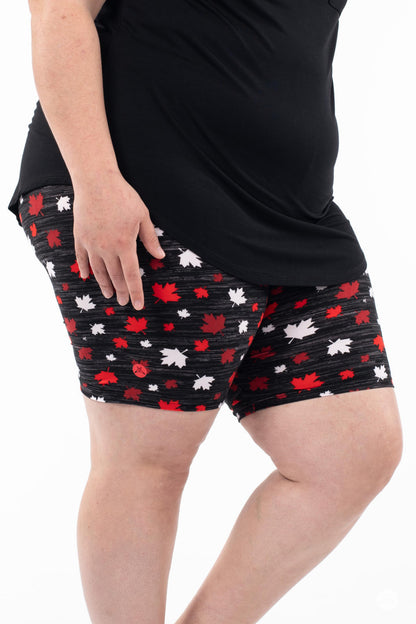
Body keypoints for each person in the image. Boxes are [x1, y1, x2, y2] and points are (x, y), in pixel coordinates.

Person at [8, 1, 403, 623]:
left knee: (352, 452)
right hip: (146, 191)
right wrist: (97, 182)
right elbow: (60, 10)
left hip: (291, 213)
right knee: (150, 456)